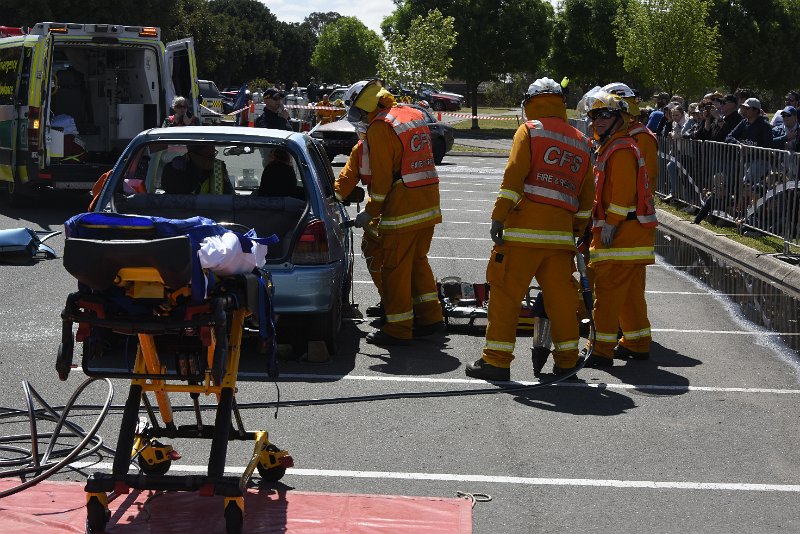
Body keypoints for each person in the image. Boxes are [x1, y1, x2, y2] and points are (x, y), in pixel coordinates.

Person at [464, 78, 594, 381]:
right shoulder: (582, 142)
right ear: (560, 103)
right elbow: (587, 197)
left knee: (506, 297)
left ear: (530, 103)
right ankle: (567, 362)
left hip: (522, 234)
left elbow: (514, 175)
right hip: (560, 238)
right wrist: (575, 229)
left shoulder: (530, 131)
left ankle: (496, 361)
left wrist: (499, 215)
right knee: (562, 302)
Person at [345, 79, 444, 346]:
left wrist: (370, 211)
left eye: (357, 111)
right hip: (428, 200)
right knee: (418, 262)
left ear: (365, 105)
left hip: (403, 206)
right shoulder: (411, 113)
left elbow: (382, 182)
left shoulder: (380, 127)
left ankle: (399, 328)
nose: (359, 118)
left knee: (395, 268)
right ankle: (431, 317)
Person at [584, 91, 658, 367]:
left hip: (622, 234)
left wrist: (610, 225)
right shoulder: (613, 146)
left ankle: (601, 350)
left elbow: (623, 194)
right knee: (629, 295)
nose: (598, 120)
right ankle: (638, 343)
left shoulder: (621, 149)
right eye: (594, 115)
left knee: (606, 294)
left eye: (605, 115)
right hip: (631, 235)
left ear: (621, 119)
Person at [333, 124, 384, 318]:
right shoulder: (397, 141)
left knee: (376, 254)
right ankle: (424, 313)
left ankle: (395, 310)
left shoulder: (363, 149)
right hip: (414, 209)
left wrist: (331, 198)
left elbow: (342, 186)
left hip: (388, 214)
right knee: (409, 262)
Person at [161, 144, 233, 194]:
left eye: (213, 156)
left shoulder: (219, 166)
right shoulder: (177, 168)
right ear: (192, 154)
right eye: (208, 157)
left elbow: (230, 195)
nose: (212, 161)